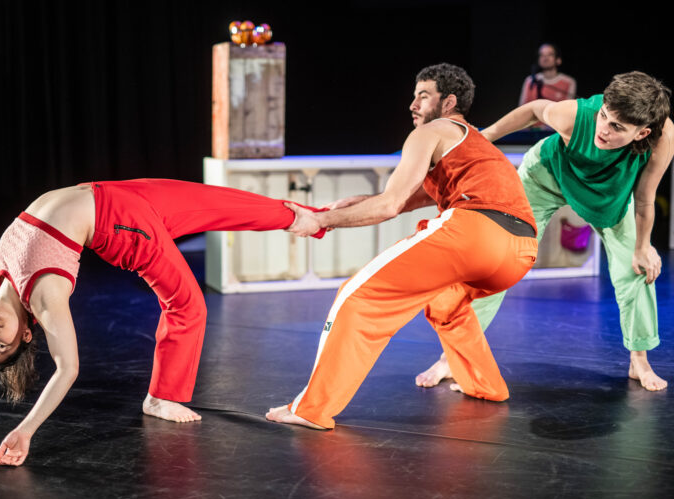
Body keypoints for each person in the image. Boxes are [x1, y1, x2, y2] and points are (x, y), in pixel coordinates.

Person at [0, 179, 325, 465]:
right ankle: (161, 397)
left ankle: (303, 217)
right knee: (187, 303)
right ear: (28, 332)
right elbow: (67, 369)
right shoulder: (44, 295)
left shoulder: (2, 274)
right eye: (2, 345)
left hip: (112, 192)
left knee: (213, 202)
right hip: (119, 224)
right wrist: (26, 430)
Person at [265, 63, 539, 430]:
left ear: (449, 102)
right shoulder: (471, 141)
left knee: (358, 296)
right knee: (447, 304)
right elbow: (413, 197)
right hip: (520, 251)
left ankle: (310, 409)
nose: (413, 104)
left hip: (475, 232)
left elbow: (390, 206)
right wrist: (361, 201)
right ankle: (486, 386)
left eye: (423, 96)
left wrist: (319, 220)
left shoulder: (433, 131)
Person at [416, 71, 674, 392]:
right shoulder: (574, 116)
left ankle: (640, 360)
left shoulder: (662, 138)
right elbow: (535, 109)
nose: (603, 129)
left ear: (642, 132)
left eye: (617, 127)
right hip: (546, 178)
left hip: (608, 197)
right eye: (604, 116)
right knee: (497, 262)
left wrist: (642, 247)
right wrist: (487, 135)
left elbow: (646, 198)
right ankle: (452, 357)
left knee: (636, 270)